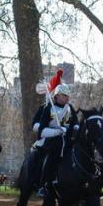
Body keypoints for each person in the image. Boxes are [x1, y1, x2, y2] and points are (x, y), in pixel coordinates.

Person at [30, 69, 74, 197]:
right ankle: (43, 183)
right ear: (56, 95)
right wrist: (55, 132)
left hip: (66, 137)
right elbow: (38, 126)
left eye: (67, 96)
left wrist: (71, 129)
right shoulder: (46, 108)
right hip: (51, 138)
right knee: (51, 153)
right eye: (63, 95)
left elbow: (74, 122)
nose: (66, 98)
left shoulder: (69, 108)